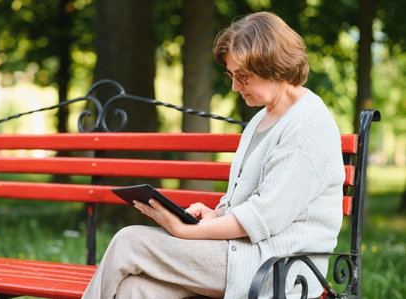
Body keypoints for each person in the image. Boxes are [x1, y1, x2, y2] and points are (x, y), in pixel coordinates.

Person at [82, 11, 345, 299]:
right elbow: (250, 200)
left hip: (276, 266)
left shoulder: (307, 124)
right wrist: (216, 214)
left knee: (128, 243)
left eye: (243, 77)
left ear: (274, 65)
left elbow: (263, 218)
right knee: (137, 290)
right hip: (244, 252)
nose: (234, 87)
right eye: (231, 76)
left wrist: (186, 232)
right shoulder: (263, 118)